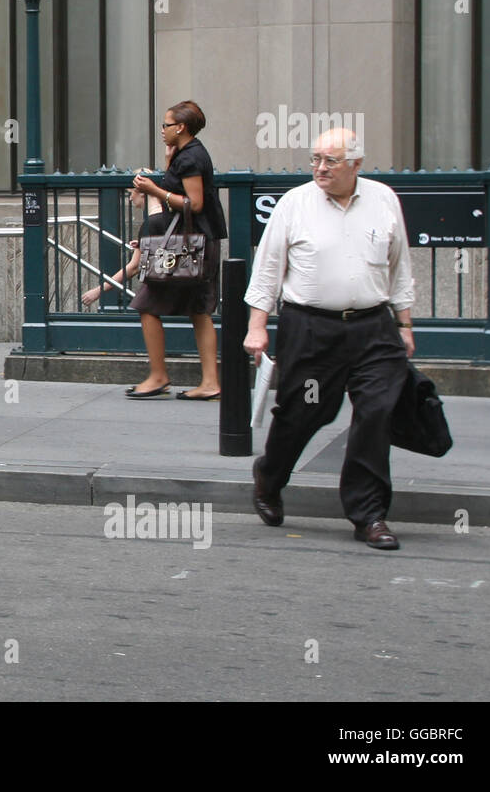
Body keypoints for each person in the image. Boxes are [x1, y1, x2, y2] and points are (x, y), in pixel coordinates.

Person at [243, 127, 414, 550]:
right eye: (315, 158)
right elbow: (268, 269)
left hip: (374, 329)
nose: (320, 168)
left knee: (376, 414)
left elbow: (400, 265)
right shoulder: (295, 203)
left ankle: (369, 514)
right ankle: (271, 474)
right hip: (312, 330)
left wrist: (405, 324)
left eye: (330, 161)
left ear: (356, 163)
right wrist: (256, 325)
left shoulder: (383, 199)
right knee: (308, 409)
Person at [128, 100, 227, 400]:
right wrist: (169, 158)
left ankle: (159, 375)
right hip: (198, 243)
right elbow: (182, 190)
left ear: (180, 127)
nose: (162, 130)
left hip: (188, 245)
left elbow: (192, 204)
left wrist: (153, 190)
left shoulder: (192, 158)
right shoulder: (187, 154)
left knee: (147, 305)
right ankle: (209, 382)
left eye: (166, 125)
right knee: (199, 311)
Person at [81, 173, 162, 308]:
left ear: (142, 193)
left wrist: (98, 291)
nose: (130, 198)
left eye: (131, 193)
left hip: (157, 290)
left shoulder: (151, 224)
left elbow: (134, 267)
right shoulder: (168, 216)